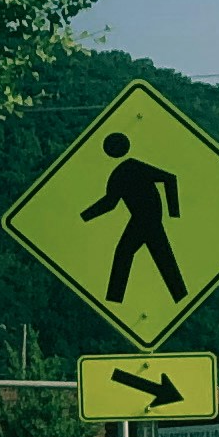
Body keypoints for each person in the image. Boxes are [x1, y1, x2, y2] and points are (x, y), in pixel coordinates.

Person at [80, 129, 186, 311]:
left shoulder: (128, 168)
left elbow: (169, 179)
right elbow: (110, 203)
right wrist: (84, 217)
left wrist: (174, 213)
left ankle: (115, 299)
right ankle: (178, 295)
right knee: (159, 257)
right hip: (143, 219)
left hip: (147, 219)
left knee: (129, 253)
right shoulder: (122, 172)